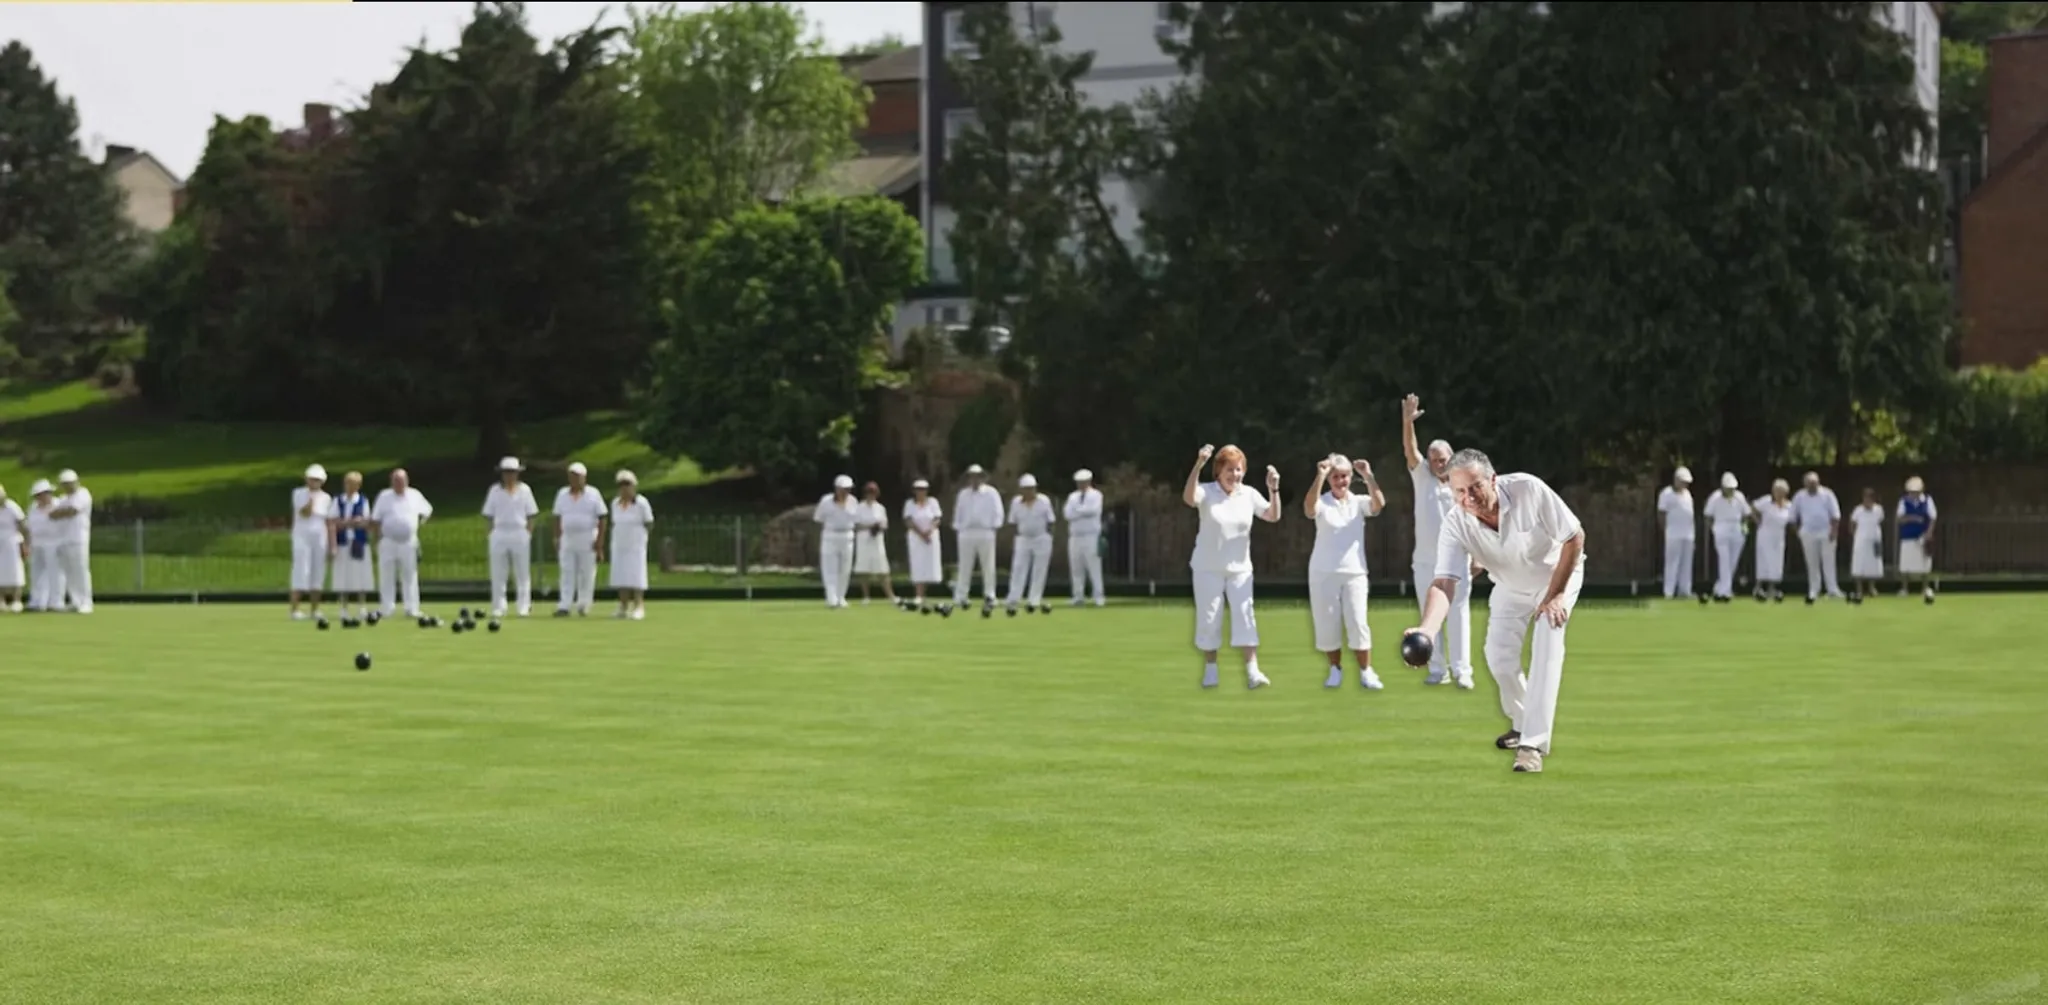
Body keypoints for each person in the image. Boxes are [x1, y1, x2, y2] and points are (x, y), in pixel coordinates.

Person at [1407, 449, 1587, 774]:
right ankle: (1521, 722)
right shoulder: (1455, 523)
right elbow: (1445, 583)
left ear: (1492, 479)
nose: (1468, 497)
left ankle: (1532, 745)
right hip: (1509, 585)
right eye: (1459, 491)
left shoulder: (1527, 489)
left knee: (1548, 641)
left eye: (1475, 487)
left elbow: (1574, 538)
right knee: (1498, 657)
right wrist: (1426, 631)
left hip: (1556, 576)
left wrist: (1556, 595)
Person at [1184, 444, 1283, 689]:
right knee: (1210, 618)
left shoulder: (1248, 494)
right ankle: (1210, 669)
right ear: (1218, 471)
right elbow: (1188, 498)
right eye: (1230, 470)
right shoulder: (1207, 492)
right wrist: (1199, 464)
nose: (1235, 475)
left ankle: (1253, 672)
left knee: (1245, 615)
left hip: (1240, 568)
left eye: (1239, 470)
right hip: (1208, 567)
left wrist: (1274, 490)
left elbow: (1272, 515)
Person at [1401, 395, 1473, 688]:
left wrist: (1478, 557)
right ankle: (1437, 668)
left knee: (1458, 614)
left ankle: (1462, 671)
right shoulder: (1422, 478)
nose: (1439, 464)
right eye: (1434, 460)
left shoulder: (1464, 485)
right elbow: (1410, 449)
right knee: (1429, 615)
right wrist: (1407, 421)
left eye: (1443, 459)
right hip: (1425, 562)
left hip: (1456, 562)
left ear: (1452, 459)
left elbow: (1475, 524)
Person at [1305, 453, 1386, 690]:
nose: (1340, 481)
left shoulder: (1358, 502)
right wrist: (1320, 476)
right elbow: (1309, 508)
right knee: (1327, 622)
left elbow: (1379, 504)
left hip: (1355, 571)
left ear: (1351, 477)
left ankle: (1366, 671)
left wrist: (1368, 476)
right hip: (1323, 571)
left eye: (1344, 476)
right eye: (1336, 477)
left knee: (1358, 621)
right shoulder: (1322, 501)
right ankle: (1334, 669)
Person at [372, 469, 434, 618]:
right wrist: (377, 540)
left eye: (401, 480)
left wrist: (417, 522)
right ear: (391, 482)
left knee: (410, 575)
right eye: (395, 480)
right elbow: (376, 519)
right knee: (386, 575)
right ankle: (387, 607)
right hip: (388, 541)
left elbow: (427, 510)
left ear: (407, 481)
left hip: (408, 542)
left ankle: (411, 608)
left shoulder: (415, 495)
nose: (398, 483)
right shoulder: (384, 496)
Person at [482, 456, 539, 619]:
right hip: (499, 532)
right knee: (498, 572)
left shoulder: (525, 490)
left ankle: (523, 606)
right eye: (506, 472)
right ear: (501, 473)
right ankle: (499, 606)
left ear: (518, 473)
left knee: (522, 572)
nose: (509, 476)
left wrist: (528, 533)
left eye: (512, 472)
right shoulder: (494, 490)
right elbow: (489, 515)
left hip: (519, 532)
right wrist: (491, 534)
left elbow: (531, 514)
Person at [552, 462, 607, 617]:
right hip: (568, 537)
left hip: (587, 536)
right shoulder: (562, 493)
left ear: (584, 477)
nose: (574, 479)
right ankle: (564, 604)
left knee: (587, 572)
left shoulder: (593, 493)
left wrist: (600, 541)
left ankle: (584, 604)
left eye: (577, 476)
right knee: (567, 571)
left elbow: (602, 517)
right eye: (571, 476)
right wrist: (557, 538)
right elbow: (557, 517)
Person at [952, 464, 1004, 609]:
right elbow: (958, 512)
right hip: (967, 532)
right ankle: (961, 595)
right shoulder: (963, 494)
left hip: (985, 531)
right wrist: (959, 528)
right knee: (964, 566)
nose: (974, 479)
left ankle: (990, 595)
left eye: (977, 476)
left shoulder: (991, 493)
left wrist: (994, 527)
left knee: (988, 565)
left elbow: (998, 511)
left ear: (982, 477)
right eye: (971, 476)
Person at [1005, 474, 1057, 614]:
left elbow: (1051, 521)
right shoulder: (1015, 502)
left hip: (1041, 538)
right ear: (1021, 490)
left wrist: (1049, 538)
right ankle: (1013, 597)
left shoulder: (1044, 501)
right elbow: (1013, 523)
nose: (1029, 491)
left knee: (1039, 570)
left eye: (1032, 488)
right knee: (1018, 568)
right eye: (1026, 489)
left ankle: (1034, 599)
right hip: (1023, 538)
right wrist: (1015, 539)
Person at [1791, 471, 1844, 603]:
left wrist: (1834, 531)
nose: (1812, 486)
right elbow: (1792, 517)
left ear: (1818, 482)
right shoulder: (1799, 496)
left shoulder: (1827, 494)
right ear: (1805, 484)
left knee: (1829, 561)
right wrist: (1799, 532)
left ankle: (1832, 589)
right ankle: (1814, 589)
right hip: (1808, 532)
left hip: (1826, 531)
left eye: (1814, 483)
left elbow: (1835, 514)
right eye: (1809, 484)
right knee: (1812, 562)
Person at [288, 464, 332, 620]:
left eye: (317, 480)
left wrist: (331, 544)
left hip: (320, 537)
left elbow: (328, 521)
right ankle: (295, 609)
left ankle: (315, 609)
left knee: (318, 571)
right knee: (301, 570)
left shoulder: (326, 498)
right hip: (302, 537)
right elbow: (304, 513)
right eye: (312, 479)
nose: (314, 482)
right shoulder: (298, 493)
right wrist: (310, 502)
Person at [328, 472, 375, 618]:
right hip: (342, 543)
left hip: (358, 542)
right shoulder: (338, 501)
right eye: (347, 483)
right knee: (343, 576)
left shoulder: (362, 501)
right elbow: (332, 522)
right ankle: (343, 608)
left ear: (358, 486)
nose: (349, 487)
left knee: (361, 575)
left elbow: (367, 522)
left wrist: (356, 522)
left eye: (353, 484)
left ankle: (362, 607)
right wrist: (348, 523)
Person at [609, 470, 654, 619]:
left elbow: (649, 523)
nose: (624, 488)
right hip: (619, 544)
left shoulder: (641, 502)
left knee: (636, 575)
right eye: (621, 485)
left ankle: (639, 606)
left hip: (636, 545)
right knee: (621, 575)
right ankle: (623, 606)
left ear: (633, 486)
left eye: (627, 485)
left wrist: (641, 538)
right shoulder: (615, 503)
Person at [47, 469, 92, 614]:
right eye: (64, 484)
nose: (67, 486)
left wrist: (61, 513)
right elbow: (52, 515)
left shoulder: (83, 494)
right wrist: (61, 513)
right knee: (69, 572)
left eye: (69, 483)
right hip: (64, 539)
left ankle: (86, 602)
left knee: (80, 570)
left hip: (78, 538)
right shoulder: (63, 498)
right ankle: (75, 601)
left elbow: (73, 511)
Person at [1702, 472, 1752, 603]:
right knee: (1724, 560)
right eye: (1728, 488)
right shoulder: (1715, 497)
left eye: (1732, 488)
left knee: (1732, 562)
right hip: (1721, 528)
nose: (1731, 491)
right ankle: (1726, 592)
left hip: (1736, 529)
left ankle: (1719, 588)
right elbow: (1708, 515)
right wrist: (1714, 529)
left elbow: (1746, 513)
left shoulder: (1739, 497)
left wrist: (1744, 527)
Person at [814, 475, 860, 609]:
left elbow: (856, 520)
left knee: (845, 569)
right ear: (836, 489)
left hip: (847, 536)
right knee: (830, 568)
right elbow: (818, 518)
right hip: (830, 535)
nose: (845, 492)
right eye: (843, 489)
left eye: (848, 489)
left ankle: (841, 597)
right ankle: (831, 598)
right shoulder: (826, 501)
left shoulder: (853, 501)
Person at [1064, 469, 1106, 607]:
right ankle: (1078, 596)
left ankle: (1098, 596)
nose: (1080, 485)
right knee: (1076, 568)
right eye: (1078, 483)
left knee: (1093, 566)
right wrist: (1081, 511)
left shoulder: (1096, 495)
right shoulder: (1072, 497)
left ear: (1089, 482)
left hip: (1091, 536)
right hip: (1075, 536)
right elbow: (1067, 514)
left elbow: (1093, 511)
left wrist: (1077, 511)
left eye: (1083, 482)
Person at [1749, 479, 1794, 602]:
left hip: (1779, 537)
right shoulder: (1766, 501)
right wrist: (1758, 521)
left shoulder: (1789, 506)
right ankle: (1758, 588)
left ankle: (1772, 588)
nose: (1778, 494)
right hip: (1765, 535)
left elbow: (1792, 521)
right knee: (1763, 561)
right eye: (1776, 491)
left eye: (1781, 492)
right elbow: (1752, 507)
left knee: (1776, 563)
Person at [852, 481, 895, 605]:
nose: (871, 495)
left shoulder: (880, 508)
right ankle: (866, 597)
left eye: (873, 492)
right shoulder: (859, 507)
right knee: (864, 569)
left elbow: (885, 524)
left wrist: (878, 527)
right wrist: (870, 526)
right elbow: (856, 524)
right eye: (869, 492)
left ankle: (891, 595)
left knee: (883, 568)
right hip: (863, 540)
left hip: (877, 540)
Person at [903, 479, 944, 609]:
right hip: (916, 538)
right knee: (917, 564)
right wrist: (921, 533)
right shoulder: (909, 504)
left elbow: (937, 518)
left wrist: (929, 531)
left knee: (929, 564)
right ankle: (918, 594)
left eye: (923, 489)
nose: (921, 492)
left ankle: (924, 594)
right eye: (918, 489)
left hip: (931, 537)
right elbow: (908, 520)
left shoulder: (933, 502)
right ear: (914, 491)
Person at [1896, 476, 1938, 603]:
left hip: (1922, 537)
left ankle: (1925, 588)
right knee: (1905, 564)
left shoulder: (1928, 500)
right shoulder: (1903, 501)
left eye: (1916, 491)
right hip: (1907, 536)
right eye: (1912, 491)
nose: (1914, 494)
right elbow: (1900, 519)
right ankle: (1904, 589)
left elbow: (1933, 518)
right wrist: (1913, 518)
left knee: (1924, 564)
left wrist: (1929, 533)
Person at [1656, 467, 1697, 599]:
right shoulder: (1666, 494)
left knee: (1686, 563)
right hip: (1673, 533)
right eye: (1683, 481)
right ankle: (1669, 591)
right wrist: (1665, 530)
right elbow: (1661, 513)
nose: (1685, 484)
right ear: (1676, 480)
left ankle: (1685, 590)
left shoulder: (1687, 494)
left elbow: (1690, 515)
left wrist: (1693, 534)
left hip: (1688, 534)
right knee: (1672, 563)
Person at [25, 480, 62, 612]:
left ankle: (55, 602)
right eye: (38, 495)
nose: (40, 497)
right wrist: (27, 544)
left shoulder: (58, 505)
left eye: (43, 494)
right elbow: (28, 527)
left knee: (54, 573)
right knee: (36, 573)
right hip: (37, 543)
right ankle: (37, 601)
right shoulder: (32, 507)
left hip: (54, 542)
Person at [1848, 487, 1885, 603]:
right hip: (1861, 541)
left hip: (1874, 540)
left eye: (1869, 498)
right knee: (1859, 565)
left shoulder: (1879, 510)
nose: (1867, 500)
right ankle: (1859, 590)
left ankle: (1871, 588)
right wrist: (1856, 536)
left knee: (1873, 564)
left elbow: (1879, 521)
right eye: (1865, 498)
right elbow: (1852, 524)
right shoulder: (1858, 510)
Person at [0, 483, 24, 612]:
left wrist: (25, 543)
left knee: (15, 570)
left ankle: (17, 600)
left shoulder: (12, 507)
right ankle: (1, 601)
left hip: (12, 542)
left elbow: (21, 524)